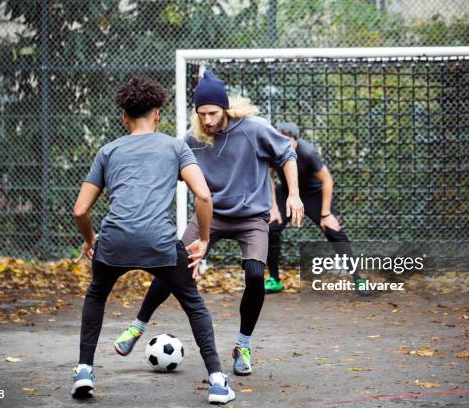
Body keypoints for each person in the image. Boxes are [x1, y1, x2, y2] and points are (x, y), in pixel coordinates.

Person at [115, 71, 304, 377]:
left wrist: (293, 195)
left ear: (225, 108)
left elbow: (287, 154)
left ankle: (243, 345)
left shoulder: (254, 129)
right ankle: (137, 327)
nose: (208, 121)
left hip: (252, 217)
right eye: (201, 114)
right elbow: (168, 167)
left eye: (213, 113)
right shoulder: (194, 137)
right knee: (174, 264)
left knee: (256, 275)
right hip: (211, 217)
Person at [72, 76, 235, 404]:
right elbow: (203, 196)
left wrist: (90, 240)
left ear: (124, 117)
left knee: (96, 296)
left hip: (113, 242)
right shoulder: (176, 147)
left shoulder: (108, 151)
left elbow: (79, 210)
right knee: (193, 303)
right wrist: (203, 240)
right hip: (159, 243)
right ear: (158, 114)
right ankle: (218, 383)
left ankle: (84, 372)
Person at [265, 122, 370, 295]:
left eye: (288, 140)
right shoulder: (274, 151)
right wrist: (274, 207)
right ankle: (275, 280)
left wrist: (326, 213)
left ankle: (358, 279)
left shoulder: (308, 153)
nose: (284, 144)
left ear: (296, 140)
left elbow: (327, 180)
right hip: (289, 193)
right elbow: (268, 177)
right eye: (280, 140)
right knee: (272, 228)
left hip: (313, 194)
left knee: (333, 231)